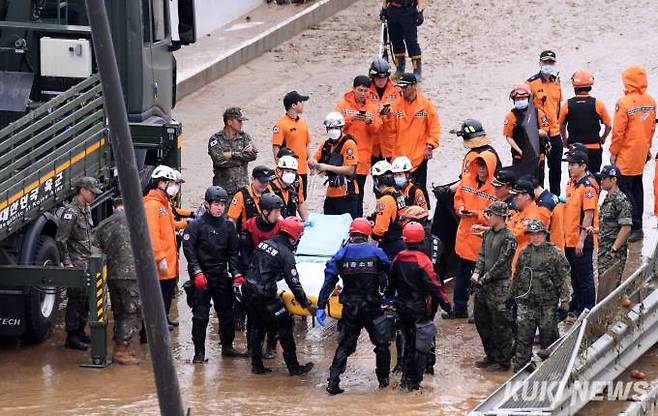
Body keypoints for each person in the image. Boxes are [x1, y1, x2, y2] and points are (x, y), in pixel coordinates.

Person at [317, 218, 392, 395]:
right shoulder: (376, 252)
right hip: (372, 308)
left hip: (350, 309)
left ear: (351, 234)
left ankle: (333, 382)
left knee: (344, 346)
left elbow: (329, 280)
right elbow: (391, 274)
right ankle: (384, 383)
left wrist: (321, 305)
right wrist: (389, 296)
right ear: (366, 234)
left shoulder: (341, 254)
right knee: (382, 345)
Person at [242, 216, 316, 375]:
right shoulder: (286, 254)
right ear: (295, 237)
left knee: (257, 325)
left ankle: (256, 365)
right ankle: (294, 367)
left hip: (248, 289)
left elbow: (258, 265)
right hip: (265, 294)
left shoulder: (265, 243)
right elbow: (294, 283)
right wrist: (307, 304)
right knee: (285, 325)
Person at [182, 186, 246, 363]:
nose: (219, 208)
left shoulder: (228, 227)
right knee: (200, 316)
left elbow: (233, 253)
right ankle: (199, 353)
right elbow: (189, 252)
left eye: (222, 205)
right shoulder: (195, 226)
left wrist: (236, 274)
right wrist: (196, 273)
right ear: (207, 204)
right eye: (216, 204)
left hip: (221, 275)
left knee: (227, 313)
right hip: (202, 276)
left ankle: (227, 346)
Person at [386, 222, 451, 391]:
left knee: (407, 342)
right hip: (419, 308)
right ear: (422, 240)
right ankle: (415, 381)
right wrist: (446, 304)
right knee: (421, 345)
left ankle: (405, 379)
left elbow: (390, 284)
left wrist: (387, 299)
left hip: (402, 307)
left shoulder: (398, 258)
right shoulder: (423, 261)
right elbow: (435, 285)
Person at [508, 220, 571, 371]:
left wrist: (565, 301)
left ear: (545, 235)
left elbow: (564, 277)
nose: (536, 238)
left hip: (547, 304)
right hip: (527, 303)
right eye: (532, 235)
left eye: (539, 234)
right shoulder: (524, 253)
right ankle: (523, 366)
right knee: (523, 337)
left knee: (548, 337)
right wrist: (511, 296)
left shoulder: (554, 253)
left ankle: (553, 368)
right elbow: (517, 276)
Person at [444, 152, 497, 319]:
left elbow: (495, 217)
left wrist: (477, 214)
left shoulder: (495, 187)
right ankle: (459, 308)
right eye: (479, 165)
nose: (481, 169)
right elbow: (458, 198)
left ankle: (480, 312)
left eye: (484, 166)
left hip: (482, 239)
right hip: (465, 236)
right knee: (462, 274)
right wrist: (460, 209)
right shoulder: (466, 180)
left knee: (481, 278)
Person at [610, 66, 656, 242]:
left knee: (625, 190)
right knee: (637, 187)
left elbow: (618, 133)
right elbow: (652, 127)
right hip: (641, 152)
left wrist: (613, 152)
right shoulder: (651, 101)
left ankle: (632, 226)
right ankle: (637, 226)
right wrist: (647, 147)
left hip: (626, 154)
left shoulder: (623, 103)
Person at [56, 176, 102, 350]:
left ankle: (81, 331)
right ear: (82, 190)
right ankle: (72, 335)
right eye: (92, 192)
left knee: (87, 298)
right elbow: (61, 240)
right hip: (76, 263)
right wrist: (68, 264)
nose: (94, 196)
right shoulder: (71, 212)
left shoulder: (86, 208)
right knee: (76, 299)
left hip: (87, 262)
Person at [94, 197, 141, 365]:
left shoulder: (105, 223)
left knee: (119, 310)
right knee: (132, 312)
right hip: (132, 274)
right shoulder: (137, 219)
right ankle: (121, 349)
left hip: (112, 274)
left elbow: (93, 245)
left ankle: (119, 345)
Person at [471, 202, 516, 372]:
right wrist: (476, 273)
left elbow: (502, 264)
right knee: (481, 319)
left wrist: (483, 279)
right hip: (484, 284)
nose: (488, 218)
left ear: (499, 216)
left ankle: (503, 360)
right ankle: (490, 354)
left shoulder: (509, 238)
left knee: (501, 323)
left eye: (491, 215)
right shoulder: (488, 234)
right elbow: (482, 256)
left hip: (500, 286)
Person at [240, 193, 284, 359]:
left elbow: (285, 253)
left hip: (273, 275)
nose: (278, 215)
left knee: (273, 313)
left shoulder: (281, 226)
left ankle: (271, 344)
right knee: (252, 315)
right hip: (253, 273)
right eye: (275, 212)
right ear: (265, 212)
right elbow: (243, 254)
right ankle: (251, 346)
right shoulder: (249, 226)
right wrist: (245, 276)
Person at [381, 73, 439, 192]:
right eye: (401, 87)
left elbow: (434, 128)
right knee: (398, 191)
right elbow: (389, 131)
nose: (403, 90)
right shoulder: (395, 106)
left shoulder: (426, 105)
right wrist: (387, 117)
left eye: (405, 87)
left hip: (419, 157)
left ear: (414, 86)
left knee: (420, 190)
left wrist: (430, 146)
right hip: (399, 157)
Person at [336, 75, 382, 217]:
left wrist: (369, 122)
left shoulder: (372, 108)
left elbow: (378, 129)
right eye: (360, 90)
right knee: (341, 193)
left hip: (362, 160)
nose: (363, 94)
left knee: (358, 194)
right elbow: (334, 127)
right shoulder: (342, 105)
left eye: (366, 91)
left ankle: (357, 223)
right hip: (344, 159)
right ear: (354, 89)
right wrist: (351, 118)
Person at [144, 165, 181, 334]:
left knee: (167, 292)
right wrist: (160, 258)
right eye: (172, 183)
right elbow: (153, 234)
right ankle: (155, 324)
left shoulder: (164, 203)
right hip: (161, 260)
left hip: (169, 259)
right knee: (158, 294)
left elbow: (171, 225)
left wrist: (189, 222)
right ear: (161, 183)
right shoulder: (152, 205)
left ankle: (164, 317)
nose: (175, 187)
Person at [562, 150, 599, 317]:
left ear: (583, 166)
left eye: (572, 164)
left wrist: (581, 240)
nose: (569, 167)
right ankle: (576, 305)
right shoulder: (572, 184)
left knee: (584, 277)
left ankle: (588, 309)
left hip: (581, 239)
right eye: (568, 164)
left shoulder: (587, 188)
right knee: (574, 276)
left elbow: (589, 215)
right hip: (569, 238)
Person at [558, 70, 612, 174]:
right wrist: (603, 138)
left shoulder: (567, 105)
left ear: (574, 86)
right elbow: (609, 125)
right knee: (595, 178)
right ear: (590, 86)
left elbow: (561, 126)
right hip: (594, 148)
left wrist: (565, 141)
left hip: (575, 149)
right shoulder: (598, 104)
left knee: (575, 181)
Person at [308, 112, 359, 217]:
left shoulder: (349, 143)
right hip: (331, 192)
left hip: (347, 193)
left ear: (341, 128)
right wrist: (312, 163)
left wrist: (326, 167)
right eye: (330, 128)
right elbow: (313, 158)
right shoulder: (326, 145)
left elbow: (350, 169)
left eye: (336, 128)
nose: (333, 131)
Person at [527, 50, 564, 195]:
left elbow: (559, 106)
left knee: (556, 168)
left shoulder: (556, 83)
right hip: (539, 134)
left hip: (555, 133)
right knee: (538, 169)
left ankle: (555, 197)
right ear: (540, 63)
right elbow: (526, 109)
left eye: (551, 62)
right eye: (545, 62)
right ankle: (539, 198)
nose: (548, 65)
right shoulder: (531, 83)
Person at [503, 83, 551, 178]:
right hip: (519, 157)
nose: (520, 101)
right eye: (517, 99)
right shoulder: (511, 116)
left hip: (537, 156)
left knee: (538, 183)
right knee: (519, 184)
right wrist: (520, 151)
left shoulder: (538, 113)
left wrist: (532, 131)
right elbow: (508, 136)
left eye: (522, 99)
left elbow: (545, 131)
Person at [208, 107, 258, 196]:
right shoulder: (216, 139)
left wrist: (232, 154)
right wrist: (242, 158)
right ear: (229, 122)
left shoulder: (244, 137)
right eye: (239, 121)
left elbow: (253, 155)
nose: (241, 124)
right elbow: (219, 160)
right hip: (223, 190)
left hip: (243, 188)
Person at [272, 91, 312, 197]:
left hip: (303, 170)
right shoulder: (281, 125)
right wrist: (281, 169)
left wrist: (309, 161)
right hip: (289, 171)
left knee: (302, 198)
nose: (303, 104)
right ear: (293, 105)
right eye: (301, 102)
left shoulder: (303, 123)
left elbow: (306, 145)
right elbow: (276, 148)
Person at [598, 165, 632, 287]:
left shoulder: (621, 200)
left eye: (604, 178)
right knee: (604, 286)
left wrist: (614, 249)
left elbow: (626, 227)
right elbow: (609, 224)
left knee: (610, 288)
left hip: (613, 253)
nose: (601, 181)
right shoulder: (608, 198)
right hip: (604, 250)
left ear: (614, 180)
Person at [380, 0, 426, 79]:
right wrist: (384, 9)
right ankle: (400, 69)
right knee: (395, 41)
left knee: (411, 42)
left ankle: (417, 70)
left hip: (408, 11)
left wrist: (420, 12)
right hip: (392, 10)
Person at [367, 58, 402, 162]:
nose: (381, 81)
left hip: (391, 143)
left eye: (384, 78)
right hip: (373, 144)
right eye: (378, 78)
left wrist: (391, 113)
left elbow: (403, 112)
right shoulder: (365, 91)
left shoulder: (397, 91)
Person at [370, 160, 406, 259]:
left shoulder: (385, 200)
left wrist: (369, 249)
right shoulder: (398, 194)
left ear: (377, 180)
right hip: (400, 240)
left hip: (390, 246)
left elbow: (380, 229)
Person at [227, 165, 277, 230]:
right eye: (261, 181)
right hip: (248, 234)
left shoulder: (269, 190)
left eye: (266, 181)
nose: (264, 184)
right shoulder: (240, 196)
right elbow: (231, 221)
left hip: (267, 233)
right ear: (252, 179)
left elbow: (277, 213)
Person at [269, 155, 308, 220]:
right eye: (287, 171)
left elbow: (299, 203)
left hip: (289, 219)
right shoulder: (270, 184)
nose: (291, 174)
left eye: (293, 172)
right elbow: (274, 212)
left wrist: (305, 221)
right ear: (279, 171)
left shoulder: (295, 183)